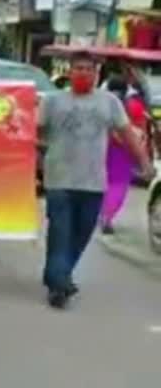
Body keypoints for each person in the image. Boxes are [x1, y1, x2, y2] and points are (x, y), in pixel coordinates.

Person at [40, 51, 154, 309]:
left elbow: (127, 134)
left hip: (93, 182)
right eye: (78, 68)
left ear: (97, 74)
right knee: (60, 234)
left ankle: (57, 275)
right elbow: (33, 129)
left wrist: (144, 162)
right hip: (59, 180)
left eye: (89, 69)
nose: (84, 73)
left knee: (80, 236)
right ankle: (60, 283)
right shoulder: (52, 101)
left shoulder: (109, 102)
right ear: (69, 71)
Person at [100, 76, 148, 235]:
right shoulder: (135, 106)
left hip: (103, 149)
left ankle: (101, 213)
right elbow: (141, 130)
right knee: (118, 186)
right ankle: (108, 216)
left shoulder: (103, 103)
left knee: (103, 183)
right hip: (124, 151)